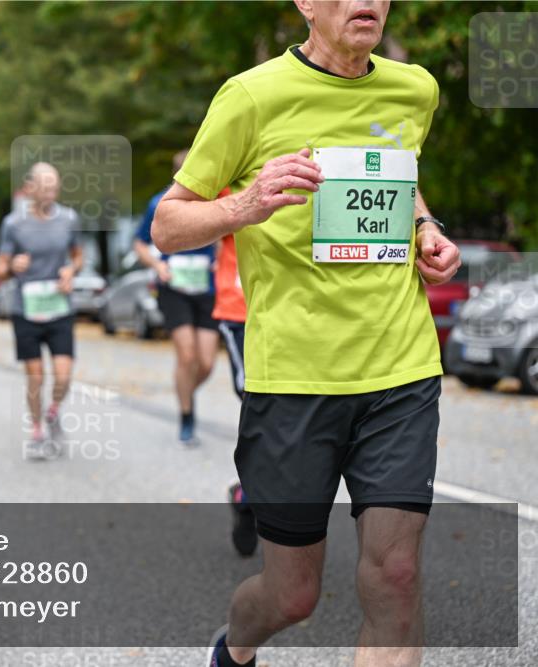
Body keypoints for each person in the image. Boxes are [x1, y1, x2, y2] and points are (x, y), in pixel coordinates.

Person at [151, 2, 461, 666]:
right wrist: (245, 204)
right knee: (292, 595)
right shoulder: (250, 97)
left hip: (400, 368)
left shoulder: (416, 88)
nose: (367, 2)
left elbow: (402, 180)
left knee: (397, 575)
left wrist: (425, 230)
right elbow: (167, 225)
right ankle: (234, 649)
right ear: (306, 4)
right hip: (294, 379)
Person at [0, 162, 83, 460]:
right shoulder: (13, 224)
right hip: (26, 309)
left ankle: (53, 412)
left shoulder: (68, 219)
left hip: (59, 306)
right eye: (45, 188)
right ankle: (37, 431)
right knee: (35, 377)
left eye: (55, 188)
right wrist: (11, 266)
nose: (50, 193)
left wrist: (71, 271)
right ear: (30, 188)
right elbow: (0, 268)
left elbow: (78, 256)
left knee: (64, 374)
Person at [134, 150, 222, 446]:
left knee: (207, 362)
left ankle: (185, 392)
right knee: (187, 355)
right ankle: (187, 415)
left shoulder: (211, 201)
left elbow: (224, 237)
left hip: (206, 288)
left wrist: (219, 262)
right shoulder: (159, 204)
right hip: (173, 288)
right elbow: (140, 243)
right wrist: (157, 264)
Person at [212, 233, 257, 558]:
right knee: (259, 403)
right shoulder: (230, 181)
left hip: (296, 312)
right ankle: (248, 494)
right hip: (240, 311)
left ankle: (250, 492)